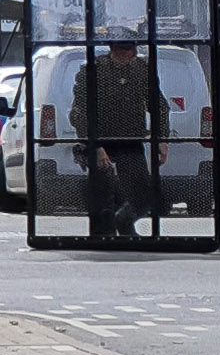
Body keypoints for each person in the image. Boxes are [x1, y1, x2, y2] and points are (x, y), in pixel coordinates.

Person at [69, 41, 169, 239]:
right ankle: (104, 234)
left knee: (143, 194)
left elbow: (159, 107)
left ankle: (123, 221)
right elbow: (79, 113)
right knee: (102, 194)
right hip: (100, 140)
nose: (123, 56)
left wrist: (161, 139)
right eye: (118, 51)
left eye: (128, 51)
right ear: (111, 51)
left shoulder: (142, 70)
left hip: (130, 139)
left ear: (133, 52)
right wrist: (95, 146)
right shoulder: (94, 71)